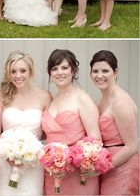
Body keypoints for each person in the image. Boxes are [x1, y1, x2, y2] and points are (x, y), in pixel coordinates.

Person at [0, 51, 52, 195]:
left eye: (23, 70)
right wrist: (7, 155)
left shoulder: (45, 96)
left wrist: (30, 151)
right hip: (6, 162)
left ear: (30, 71)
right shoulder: (1, 96)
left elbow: (48, 133)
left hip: (33, 163)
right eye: (13, 71)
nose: (18, 76)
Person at [42, 49, 101, 195]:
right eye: (54, 68)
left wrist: (69, 163)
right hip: (53, 174)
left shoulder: (82, 99)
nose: (59, 72)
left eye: (64, 67)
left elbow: (95, 140)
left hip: (77, 174)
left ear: (73, 71)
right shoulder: (53, 99)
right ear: (50, 73)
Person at [90, 50, 139, 195]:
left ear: (115, 72)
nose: (99, 76)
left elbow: (132, 146)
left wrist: (102, 166)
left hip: (123, 168)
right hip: (108, 167)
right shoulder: (99, 101)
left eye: (105, 71)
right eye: (95, 71)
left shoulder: (120, 102)